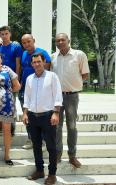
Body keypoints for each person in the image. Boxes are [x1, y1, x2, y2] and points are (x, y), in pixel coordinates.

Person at [23, 52, 62, 185]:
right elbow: (27, 97)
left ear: (44, 61)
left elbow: (57, 95)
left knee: (51, 146)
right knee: (36, 145)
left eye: (39, 61)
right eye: (34, 62)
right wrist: (25, 113)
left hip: (48, 116)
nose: (36, 64)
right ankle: (39, 170)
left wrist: (56, 113)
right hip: (33, 117)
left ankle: (52, 174)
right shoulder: (29, 78)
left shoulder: (52, 77)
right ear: (31, 63)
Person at [51, 33, 90, 168]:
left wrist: (72, 84)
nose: (60, 42)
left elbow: (85, 75)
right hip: (56, 97)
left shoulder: (79, 55)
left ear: (69, 41)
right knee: (56, 127)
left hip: (72, 96)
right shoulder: (53, 57)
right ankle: (57, 155)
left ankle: (72, 155)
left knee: (72, 126)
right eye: (57, 40)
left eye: (63, 40)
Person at [20, 34, 51, 149]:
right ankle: (31, 139)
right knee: (27, 115)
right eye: (24, 43)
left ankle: (42, 141)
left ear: (33, 40)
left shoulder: (42, 52)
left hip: (39, 88)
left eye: (29, 41)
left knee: (40, 115)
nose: (27, 44)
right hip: (25, 88)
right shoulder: (23, 54)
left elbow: (47, 68)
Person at [0, 25, 23, 136]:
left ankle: (11, 129)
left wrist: (16, 79)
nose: (4, 36)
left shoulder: (15, 46)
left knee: (11, 104)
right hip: (0, 80)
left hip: (11, 79)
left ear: (10, 34)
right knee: (0, 104)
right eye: (2, 34)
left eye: (6, 34)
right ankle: (1, 127)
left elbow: (18, 64)